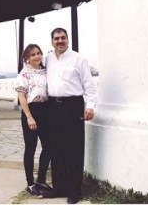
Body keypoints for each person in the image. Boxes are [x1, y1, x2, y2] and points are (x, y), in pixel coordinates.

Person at [43, 27, 97, 204]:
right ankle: (59, 187)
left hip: (72, 106)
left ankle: (74, 190)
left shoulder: (79, 59)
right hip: (53, 106)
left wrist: (90, 106)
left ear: (67, 39)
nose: (60, 41)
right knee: (56, 149)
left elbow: (89, 85)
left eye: (63, 38)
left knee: (74, 149)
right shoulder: (49, 58)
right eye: (56, 38)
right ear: (52, 41)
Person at [14, 44, 52, 197]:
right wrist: (29, 116)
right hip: (31, 110)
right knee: (31, 147)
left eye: (38, 53)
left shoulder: (45, 71)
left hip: (46, 110)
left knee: (48, 146)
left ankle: (41, 180)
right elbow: (21, 96)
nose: (37, 57)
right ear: (27, 58)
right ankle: (30, 183)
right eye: (33, 55)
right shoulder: (24, 74)